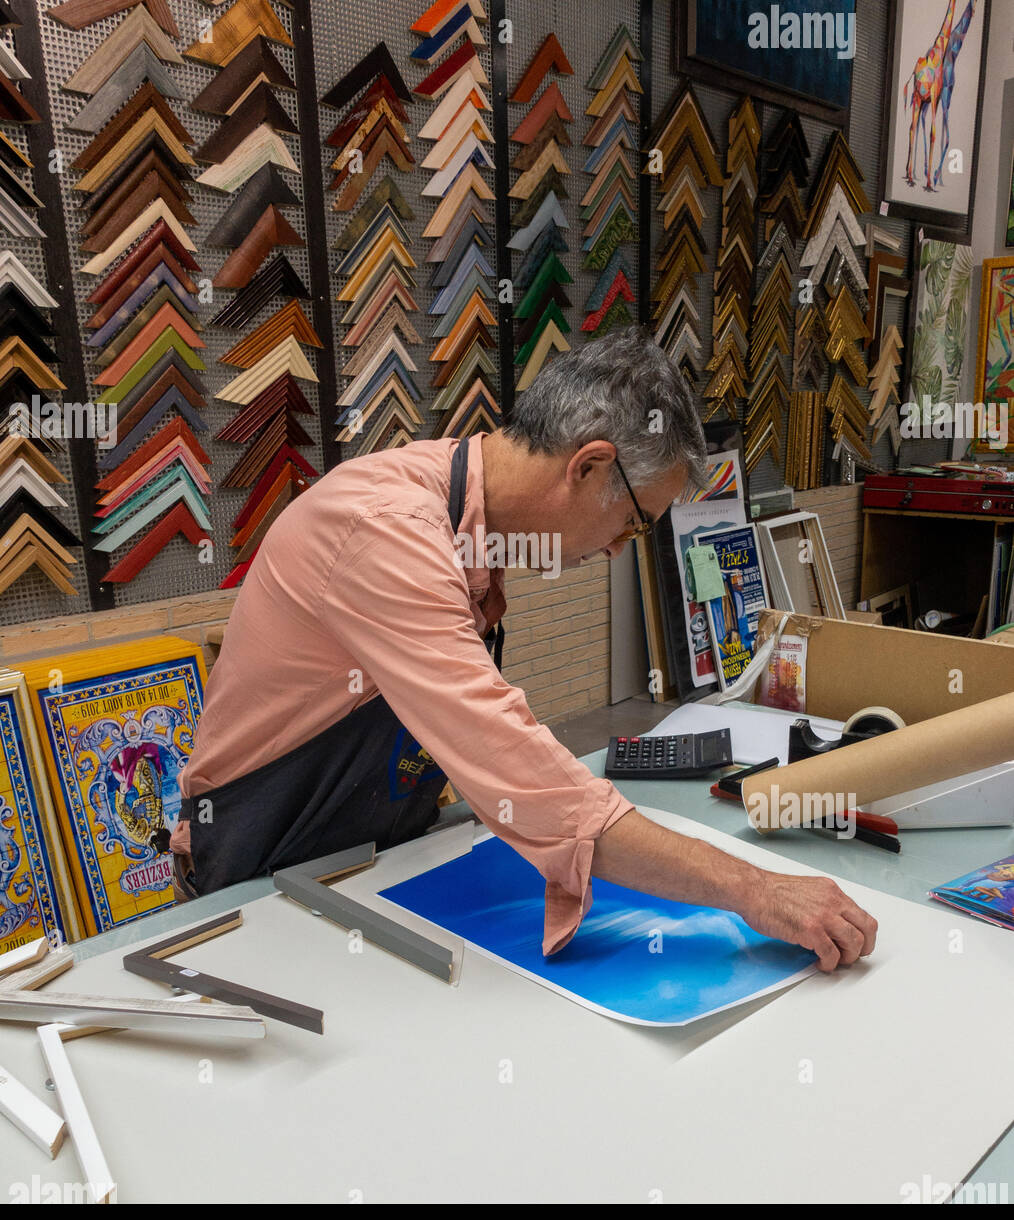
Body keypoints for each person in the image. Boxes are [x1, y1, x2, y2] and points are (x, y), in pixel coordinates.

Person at [171, 328, 876, 972]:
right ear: (590, 466)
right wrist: (753, 889)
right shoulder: (383, 533)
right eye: (632, 524)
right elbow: (513, 764)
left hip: (368, 867)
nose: (614, 553)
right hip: (262, 886)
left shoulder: (470, 522)